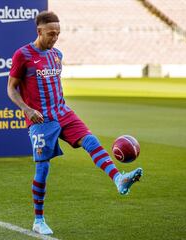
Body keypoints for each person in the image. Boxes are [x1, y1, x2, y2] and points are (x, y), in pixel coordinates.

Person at [7, 11, 143, 235]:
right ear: (39, 31)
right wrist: (27, 109)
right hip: (41, 119)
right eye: (51, 33)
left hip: (62, 111)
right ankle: (38, 220)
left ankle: (119, 179)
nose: (55, 38)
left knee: (91, 141)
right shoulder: (23, 55)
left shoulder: (57, 55)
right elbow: (11, 87)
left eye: (58, 34)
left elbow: (53, 84)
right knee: (43, 168)